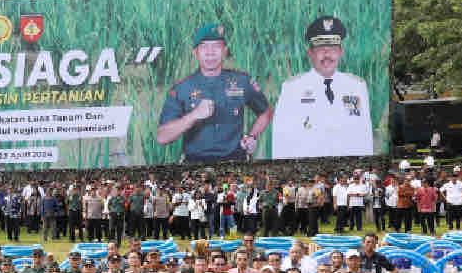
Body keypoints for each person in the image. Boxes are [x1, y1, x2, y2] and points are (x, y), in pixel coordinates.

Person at [156, 22, 273, 163]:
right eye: (204, 46)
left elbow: (266, 112)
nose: (210, 52)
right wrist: (193, 116)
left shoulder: (242, 81)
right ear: (195, 52)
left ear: (225, 51)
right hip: (195, 164)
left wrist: (252, 136)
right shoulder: (182, 88)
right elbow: (162, 137)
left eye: (216, 46)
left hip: (235, 161)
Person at [271, 16, 373, 159]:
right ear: (310, 53)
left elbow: (365, 135)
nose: (327, 55)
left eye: (332, 49)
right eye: (321, 49)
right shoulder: (292, 88)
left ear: (341, 52)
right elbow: (280, 140)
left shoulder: (356, 86)